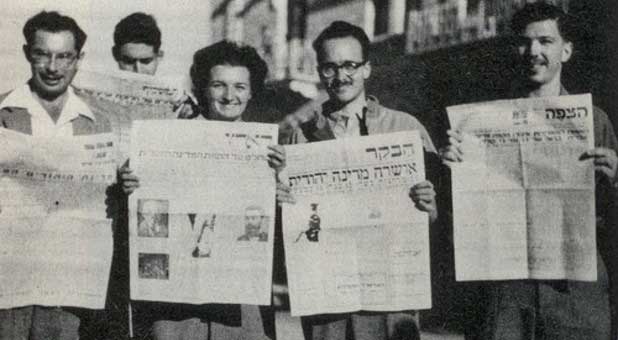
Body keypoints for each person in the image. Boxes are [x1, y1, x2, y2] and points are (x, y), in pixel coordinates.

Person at [441, 3, 618, 339]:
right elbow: (458, 224)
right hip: (505, 295)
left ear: (566, 50)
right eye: (524, 42)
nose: (533, 51)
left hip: (573, 296)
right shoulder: (480, 123)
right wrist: (455, 173)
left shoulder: (595, 122)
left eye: (545, 41)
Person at [285, 20, 439, 340]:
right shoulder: (300, 136)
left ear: (367, 68)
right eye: (329, 68)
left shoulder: (406, 128)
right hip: (327, 300)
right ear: (319, 72)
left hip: (391, 300)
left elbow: (438, 220)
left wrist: (429, 206)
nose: (341, 76)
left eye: (350, 65)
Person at [120, 40, 283, 340]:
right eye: (219, 85)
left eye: (240, 87)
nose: (230, 96)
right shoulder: (167, 139)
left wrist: (282, 196)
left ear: (252, 91)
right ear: (203, 88)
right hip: (174, 306)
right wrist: (130, 184)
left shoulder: (268, 152)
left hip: (241, 305)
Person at [0, 11, 111, 340]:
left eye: (64, 56)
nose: (53, 67)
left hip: (68, 289)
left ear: (79, 59)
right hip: (9, 285)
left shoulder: (97, 123)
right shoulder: (3, 114)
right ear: (26, 54)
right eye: (42, 54)